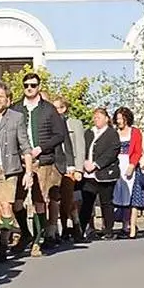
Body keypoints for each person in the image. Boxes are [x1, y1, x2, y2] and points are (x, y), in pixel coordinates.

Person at [10, 73, 68, 255]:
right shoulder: (15, 109)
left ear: (38, 87)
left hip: (42, 161)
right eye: (26, 85)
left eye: (33, 85)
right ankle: (25, 233)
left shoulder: (49, 109)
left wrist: (41, 148)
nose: (29, 88)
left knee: (39, 200)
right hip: (19, 161)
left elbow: (59, 135)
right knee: (16, 201)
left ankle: (38, 240)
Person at [0, 83, 32, 258]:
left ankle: (3, 244)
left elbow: (25, 146)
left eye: (1, 96)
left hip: (8, 169)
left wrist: (28, 172)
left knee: (6, 206)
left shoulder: (16, 118)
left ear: (8, 99)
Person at [78, 108, 120, 240]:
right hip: (88, 174)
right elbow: (82, 148)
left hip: (104, 173)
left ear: (107, 119)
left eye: (99, 117)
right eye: (95, 117)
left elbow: (112, 152)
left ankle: (108, 230)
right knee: (86, 203)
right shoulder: (89, 133)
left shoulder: (112, 134)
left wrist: (96, 164)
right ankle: (81, 230)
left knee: (106, 202)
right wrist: (84, 162)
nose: (96, 120)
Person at [53, 98, 86, 241]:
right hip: (54, 165)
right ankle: (63, 228)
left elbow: (80, 146)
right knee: (55, 197)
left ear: (64, 109)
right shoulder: (51, 124)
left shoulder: (74, 124)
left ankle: (75, 224)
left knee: (68, 198)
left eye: (58, 108)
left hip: (69, 165)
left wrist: (79, 168)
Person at [110, 108, 144, 239]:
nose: (118, 121)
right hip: (116, 164)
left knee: (132, 198)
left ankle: (132, 226)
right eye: (117, 118)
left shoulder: (135, 132)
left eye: (121, 118)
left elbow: (138, 151)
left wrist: (132, 165)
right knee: (119, 196)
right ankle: (123, 224)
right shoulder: (114, 133)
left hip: (130, 164)